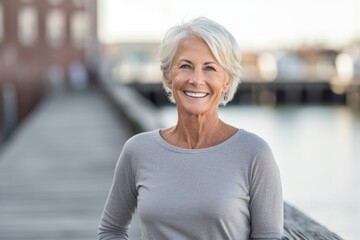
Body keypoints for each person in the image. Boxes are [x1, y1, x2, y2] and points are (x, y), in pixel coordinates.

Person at [98, 17, 283, 240]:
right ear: (168, 75)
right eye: (185, 66)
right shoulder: (137, 150)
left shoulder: (254, 153)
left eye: (210, 68)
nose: (196, 80)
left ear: (227, 81)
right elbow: (111, 231)